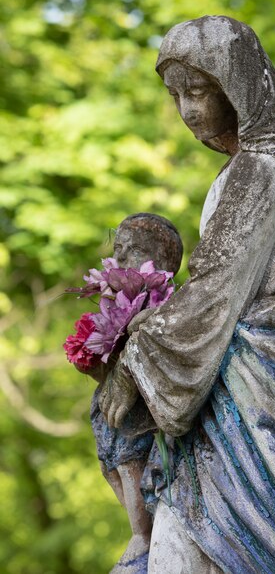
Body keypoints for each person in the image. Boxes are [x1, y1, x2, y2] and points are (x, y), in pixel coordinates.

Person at [100, 16, 275, 573]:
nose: (186, 109)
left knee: (191, 545)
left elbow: (214, 292)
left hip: (257, 406)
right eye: (175, 94)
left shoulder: (257, 170)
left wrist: (135, 354)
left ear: (239, 86)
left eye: (199, 90)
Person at [90, 213, 183, 573]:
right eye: (119, 249)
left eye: (136, 251)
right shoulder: (119, 298)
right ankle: (137, 528)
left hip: (146, 413)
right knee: (107, 454)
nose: (123, 258)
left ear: (163, 263)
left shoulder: (169, 302)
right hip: (114, 399)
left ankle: (142, 533)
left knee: (130, 450)